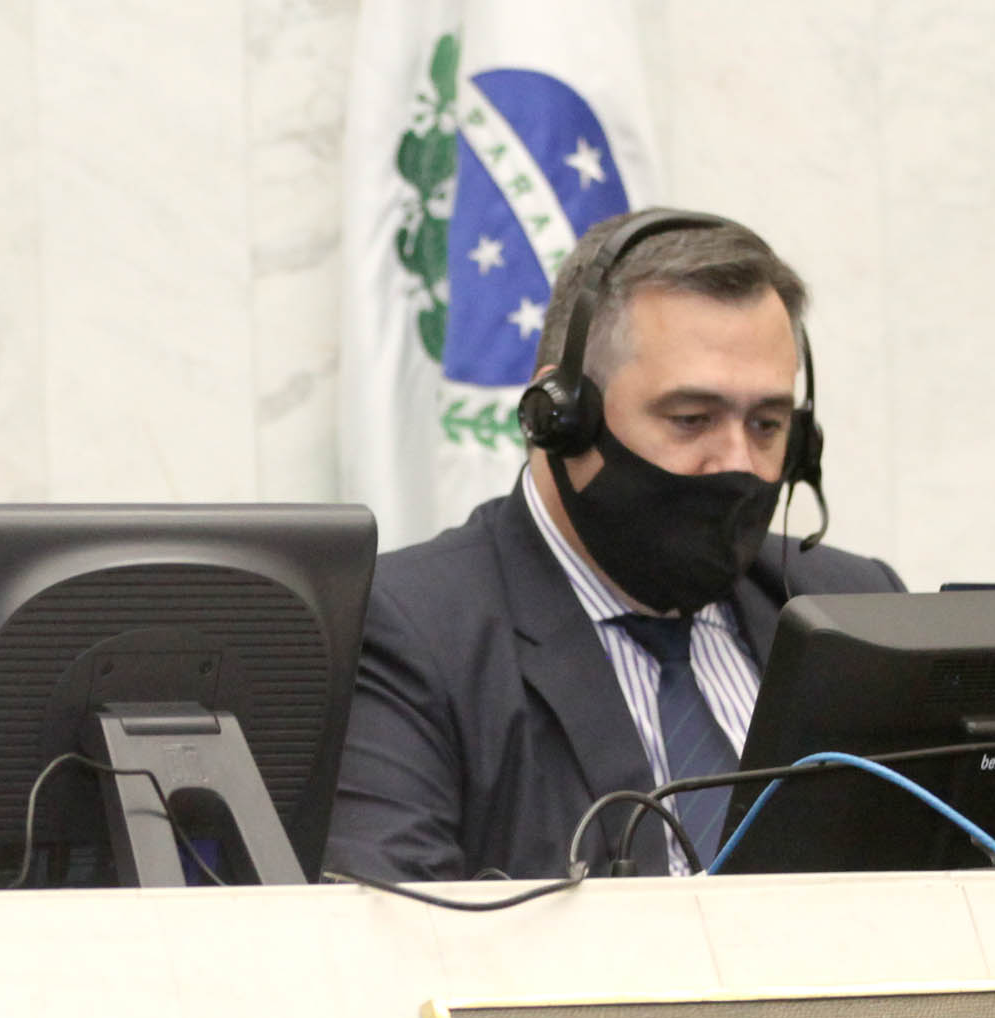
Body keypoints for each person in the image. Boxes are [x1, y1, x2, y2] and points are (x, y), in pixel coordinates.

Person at [325, 210, 904, 883]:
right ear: (561, 416)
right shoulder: (407, 631)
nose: (736, 463)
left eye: (768, 424)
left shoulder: (853, 611)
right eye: (692, 419)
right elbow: (396, 929)